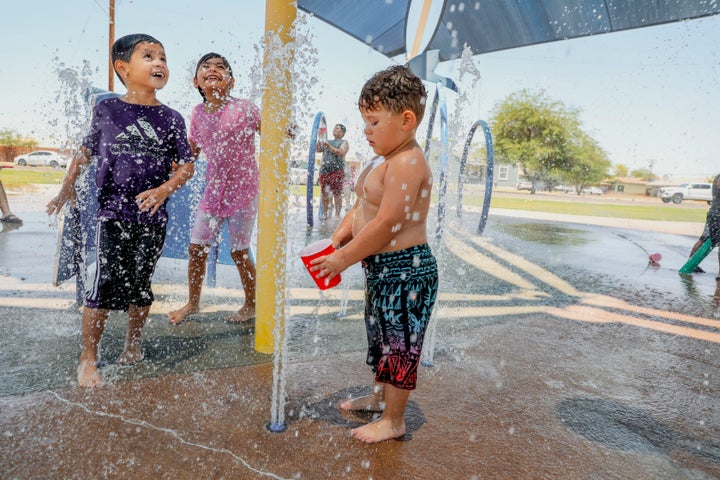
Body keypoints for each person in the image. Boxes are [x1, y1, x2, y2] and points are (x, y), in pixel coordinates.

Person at [46, 34, 195, 387]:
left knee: (140, 284)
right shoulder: (107, 110)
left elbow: (185, 167)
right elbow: (84, 154)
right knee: (101, 285)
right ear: (123, 68)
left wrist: (163, 190)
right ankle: (89, 357)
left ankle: (133, 342)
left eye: (163, 56)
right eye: (148, 56)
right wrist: (64, 192)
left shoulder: (171, 118)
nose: (159, 62)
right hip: (112, 214)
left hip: (152, 218)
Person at [310, 65, 438, 443]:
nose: (365, 130)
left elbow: (386, 225)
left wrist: (342, 259)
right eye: (364, 120)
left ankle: (394, 420)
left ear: (406, 120)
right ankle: (379, 397)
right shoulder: (380, 160)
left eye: (373, 121)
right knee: (381, 337)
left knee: (400, 344)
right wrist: (337, 239)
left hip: (408, 271)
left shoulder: (408, 162)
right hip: (382, 270)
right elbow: (360, 207)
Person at [168, 53, 263, 325]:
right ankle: (193, 303)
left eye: (220, 67)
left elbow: (271, 131)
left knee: (239, 251)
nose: (213, 70)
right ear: (195, 81)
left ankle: (252, 303)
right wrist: (173, 167)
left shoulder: (245, 108)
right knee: (197, 247)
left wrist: (285, 129)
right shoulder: (197, 113)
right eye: (206, 67)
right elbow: (193, 149)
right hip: (214, 191)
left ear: (231, 81)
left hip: (244, 189)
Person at [688, 172, 720, 278]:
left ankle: (691, 263)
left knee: (704, 238)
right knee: (704, 239)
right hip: (717, 214)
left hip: (714, 214)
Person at [317, 124, 349, 220]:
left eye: (339, 129)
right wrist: (319, 141)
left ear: (342, 133)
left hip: (337, 170)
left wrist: (329, 147)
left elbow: (341, 152)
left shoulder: (344, 142)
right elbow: (318, 150)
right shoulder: (327, 141)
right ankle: (325, 213)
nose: (336, 130)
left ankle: (337, 214)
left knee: (337, 193)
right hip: (324, 170)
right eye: (335, 128)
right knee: (324, 193)